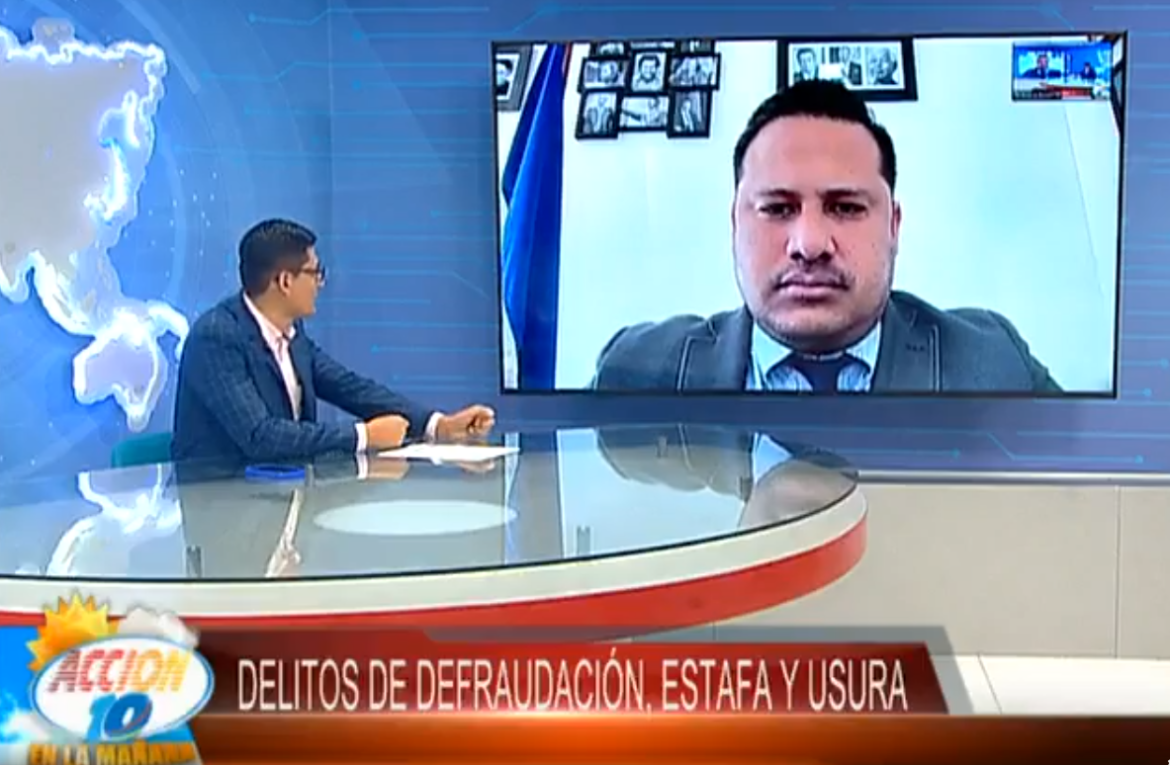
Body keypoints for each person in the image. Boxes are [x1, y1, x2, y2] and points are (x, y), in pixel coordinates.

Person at [592, 80, 1060, 393]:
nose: (810, 244)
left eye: (845, 207)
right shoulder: (634, 373)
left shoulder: (995, 364)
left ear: (894, 227)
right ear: (735, 225)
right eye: (778, 208)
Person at [173, 219, 496, 465]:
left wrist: (437, 425)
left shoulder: (292, 333)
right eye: (315, 272)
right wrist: (362, 437)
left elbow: (350, 388)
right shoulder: (216, 337)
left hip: (281, 498)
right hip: (221, 505)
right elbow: (260, 436)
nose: (320, 283)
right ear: (285, 281)